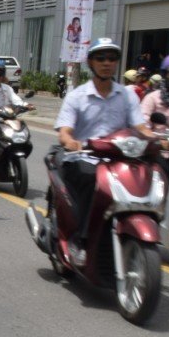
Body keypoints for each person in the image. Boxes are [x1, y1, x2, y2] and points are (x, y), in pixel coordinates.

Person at [54, 38, 153, 264]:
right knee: (93, 182)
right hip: (84, 157)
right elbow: (65, 131)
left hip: (118, 158)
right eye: (101, 58)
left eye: (112, 58)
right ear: (91, 62)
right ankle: (81, 239)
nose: (107, 63)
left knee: (150, 173)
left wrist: (159, 139)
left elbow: (140, 127)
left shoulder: (127, 95)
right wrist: (70, 141)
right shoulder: (76, 96)